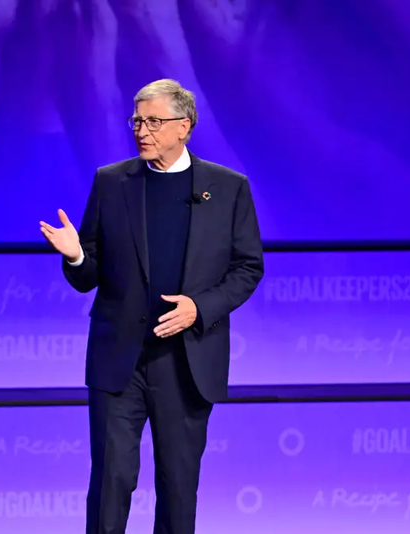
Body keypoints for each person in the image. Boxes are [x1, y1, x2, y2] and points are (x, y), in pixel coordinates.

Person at [40, 79, 264, 534]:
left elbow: (247, 267)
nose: (141, 131)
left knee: (178, 487)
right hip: (119, 361)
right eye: (137, 121)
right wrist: (76, 256)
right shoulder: (111, 182)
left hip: (186, 362)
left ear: (185, 126)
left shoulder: (227, 188)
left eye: (153, 122)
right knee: (111, 482)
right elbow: (87, 277)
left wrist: (199, 308)